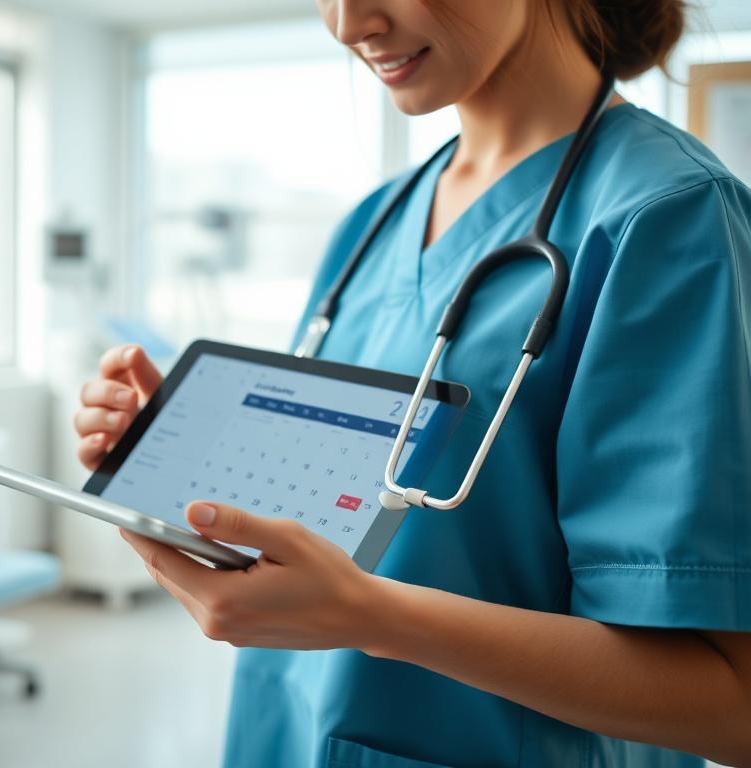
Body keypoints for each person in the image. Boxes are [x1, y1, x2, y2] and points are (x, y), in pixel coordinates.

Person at [74, 1, 751, 765]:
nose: (347, 24)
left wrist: (373, 617)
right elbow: (346, 508)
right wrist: (193, 444)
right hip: (287, 727)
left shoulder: (668, 215)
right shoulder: (375, 218)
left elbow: (733, 706)